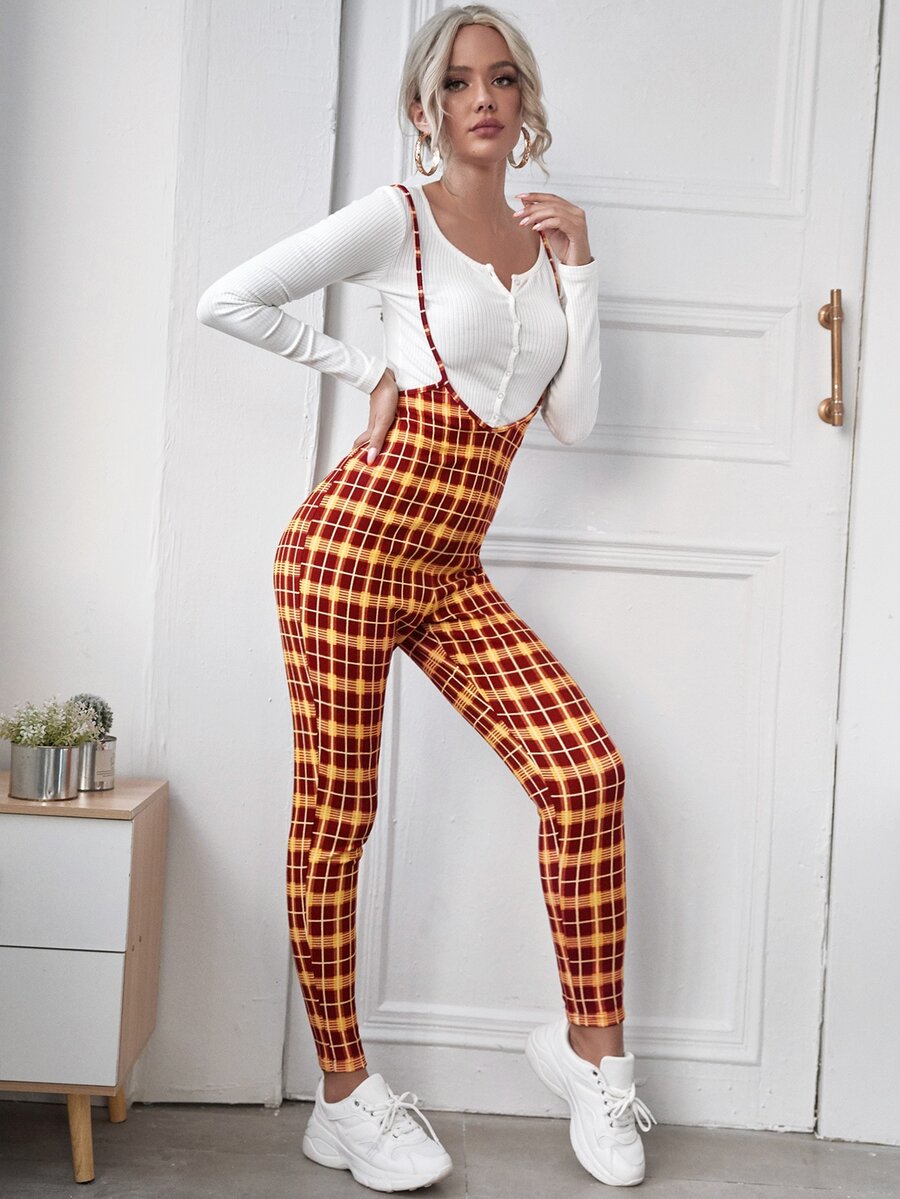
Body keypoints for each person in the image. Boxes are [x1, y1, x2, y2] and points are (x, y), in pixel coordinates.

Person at [196, 3, 656, 1191]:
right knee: (338, 817)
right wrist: (366, 369)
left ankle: (592, 1057)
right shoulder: (397, 216)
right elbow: (229, 297)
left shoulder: (546, 243)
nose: (482, 98)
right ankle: (344, 1092)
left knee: (585, 772)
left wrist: (583, 265)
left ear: (524, 100)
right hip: (350, 552)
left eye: (501, 79)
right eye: (457, 82)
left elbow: (573, 418)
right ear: (424, 108)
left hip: (451, 571)